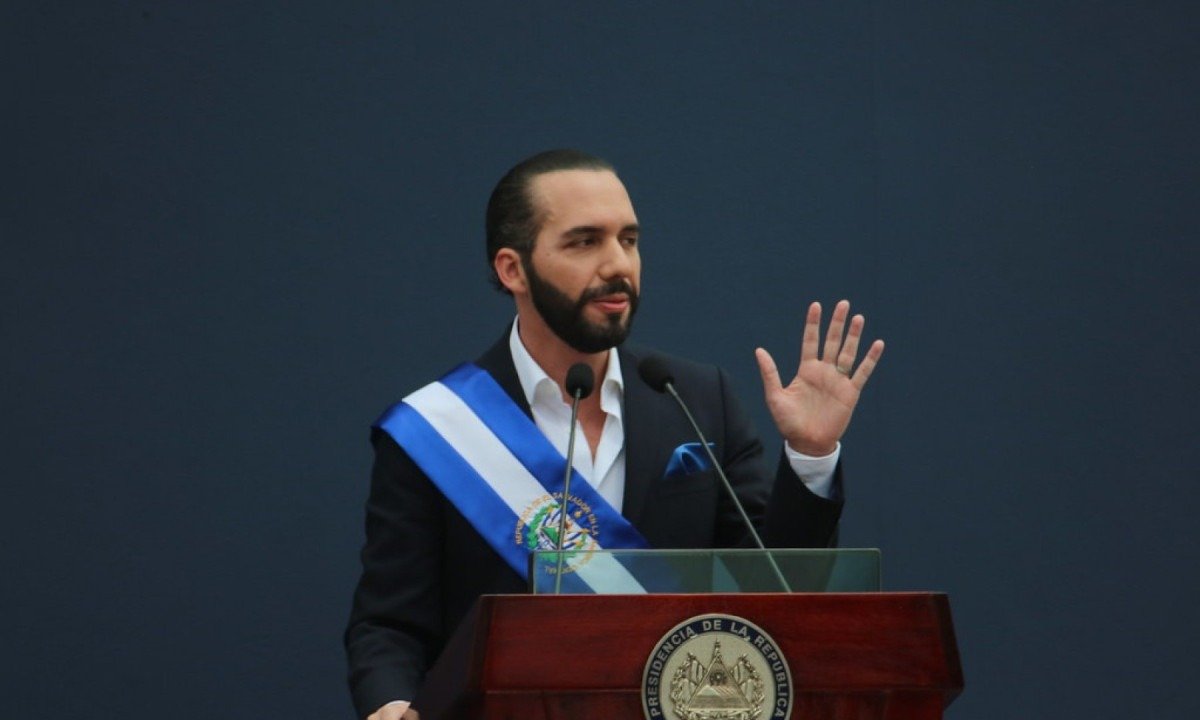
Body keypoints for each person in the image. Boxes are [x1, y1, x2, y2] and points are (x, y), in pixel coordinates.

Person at [344, 149, 884, 720]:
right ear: (512, 270)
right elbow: (389, 624)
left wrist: (810, 454)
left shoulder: (698, 400)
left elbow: (775, 587)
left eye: (629, 239)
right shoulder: (439, 428)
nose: (617, 264)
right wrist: (391, 704)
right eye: (584, 242)